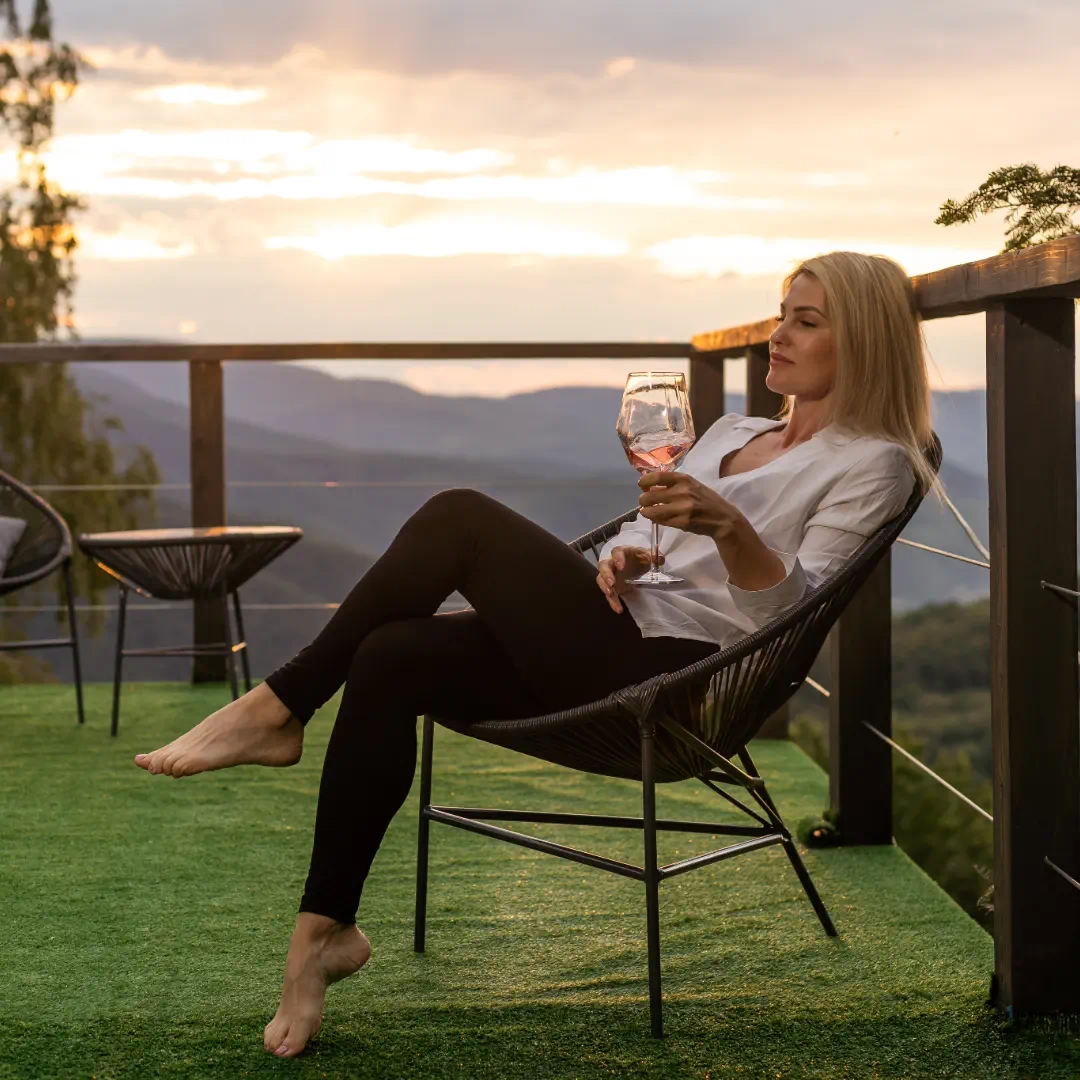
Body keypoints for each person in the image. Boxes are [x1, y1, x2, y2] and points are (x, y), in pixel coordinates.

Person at [132, 250, 942, 1058]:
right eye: (780, 314)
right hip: (612, 627)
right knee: (389, 655)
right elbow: (650, 533)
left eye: (806, 322)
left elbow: (792, 617)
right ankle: (323, 934)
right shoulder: (732, 430)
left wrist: (730, 526)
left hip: (674, 679)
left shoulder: (871, 461)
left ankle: (280, 704)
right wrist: (627, 555)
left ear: (865, 342)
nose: (777, 336)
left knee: (460, 516)